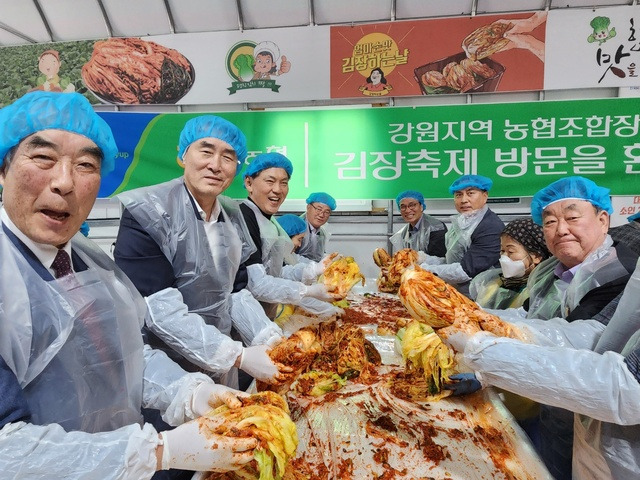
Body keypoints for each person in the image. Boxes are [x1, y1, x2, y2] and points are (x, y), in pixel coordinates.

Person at [0, 91, 258, 478]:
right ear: (3, 169)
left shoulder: (91, 261)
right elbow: (9, 450)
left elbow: (125, 356)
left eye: (86, 165)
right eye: (43, 158)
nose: (64, 182)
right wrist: (156, 451)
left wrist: (188, 392)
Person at [452, 176, 639, 480]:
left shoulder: (619, 272)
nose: (561, 229)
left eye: (572, 217)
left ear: (603, 219)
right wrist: (470, 318)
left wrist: (480, 348)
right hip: (551, 402)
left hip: (603, 426)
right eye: (550, 221)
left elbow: (593, 354)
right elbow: (534, 319)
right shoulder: (548, 269)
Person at [113, 115, 288, 391]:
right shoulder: (149, 212)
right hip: (163, 371)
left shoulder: (231, 214)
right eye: (206, 151)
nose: (215, 165)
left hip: (220, 360)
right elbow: (160, 311)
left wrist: (266, 335)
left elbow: (235, 290)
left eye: (228, 158)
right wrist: (238, 355)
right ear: (183, 155)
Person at [239, 152, 343, 318]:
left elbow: (275, 272)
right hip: (244, 321)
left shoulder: (269, 222)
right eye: (270, 181)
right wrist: (307, 291)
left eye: (284, 183)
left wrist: (312, 270)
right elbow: (256, 284)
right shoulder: (244, 218)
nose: (277, 190)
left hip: (264, 313)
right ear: (249, 183)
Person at [420, 174, 504, 295]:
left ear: (485, 196)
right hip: (458, 293)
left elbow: (466, 270)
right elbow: (453, 261)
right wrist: (425, 260)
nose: (464, 200)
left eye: (470, 193)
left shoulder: (490, 227)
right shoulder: (461, 222)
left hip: (480, 297)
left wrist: (424, 270)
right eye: (458, 195)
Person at [470, 217, 550, 310]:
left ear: (536, 256)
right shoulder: (493, 284)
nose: (504, 257)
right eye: (502, 250)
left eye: (511, 251)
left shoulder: (542, 293)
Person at [391, 190, 447, 257]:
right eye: (403, 207)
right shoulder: (404, 232)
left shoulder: (436, 227)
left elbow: (440, 261)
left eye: (412, 205)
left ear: (421, 206)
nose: (407, 210)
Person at [297, 191, 336, 262]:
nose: (321, 215)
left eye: (326, 212)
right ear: (308, 207)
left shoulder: (322, 233)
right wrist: (313, 267)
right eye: (318, 209)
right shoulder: (296, 227)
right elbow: (288, 257)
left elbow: (318, 256)